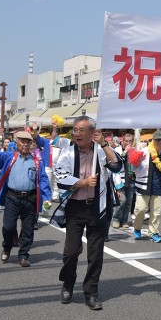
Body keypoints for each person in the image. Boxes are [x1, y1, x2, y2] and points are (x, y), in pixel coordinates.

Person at [53, 116, 122, 310]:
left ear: (92, 133)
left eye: (82, 130)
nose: (77, 133)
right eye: (75, 129)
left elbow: (118, 166)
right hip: (75, 206)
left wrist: (104, 144)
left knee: (95, 253)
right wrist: (82, 183)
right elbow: (60, 176)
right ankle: (67, 283)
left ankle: (91, 292)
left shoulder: (101, 151)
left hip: (97, 206)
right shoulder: (68, 151)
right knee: (71, 251)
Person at [0, 130, 52, 266]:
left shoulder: (37, 162)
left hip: (30, 198)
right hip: (12, 197)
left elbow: (43, 180)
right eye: (22, 141)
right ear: (17, 143)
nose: (25, 144)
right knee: (8, 227)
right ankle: (7, 247)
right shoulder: (9, 157)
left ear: (32, 144)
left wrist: (47, 198)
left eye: (28, 142)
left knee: (28, 229)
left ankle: (23, 255)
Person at [132, 129, 161, 242]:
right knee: (141, 209)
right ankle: (137, 228)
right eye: (157, 139)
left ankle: (153, 232)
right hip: (144, 184)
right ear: (152, 140)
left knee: (156, 211)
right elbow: (134, 168)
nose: (159, 142)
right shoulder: (144, 151)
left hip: (159, 184)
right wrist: (137, 161)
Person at [111, 133, 135, 229]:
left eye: (130, 141)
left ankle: (124, 220)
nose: (128, 143)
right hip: (120, 179)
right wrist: (125, 151)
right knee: (122, 200)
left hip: (131, 179)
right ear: (122, 141)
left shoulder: (134, 151)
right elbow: (117, 161)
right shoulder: (117, 150)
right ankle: (116, 219)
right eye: (126, 141)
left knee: (128, 202)